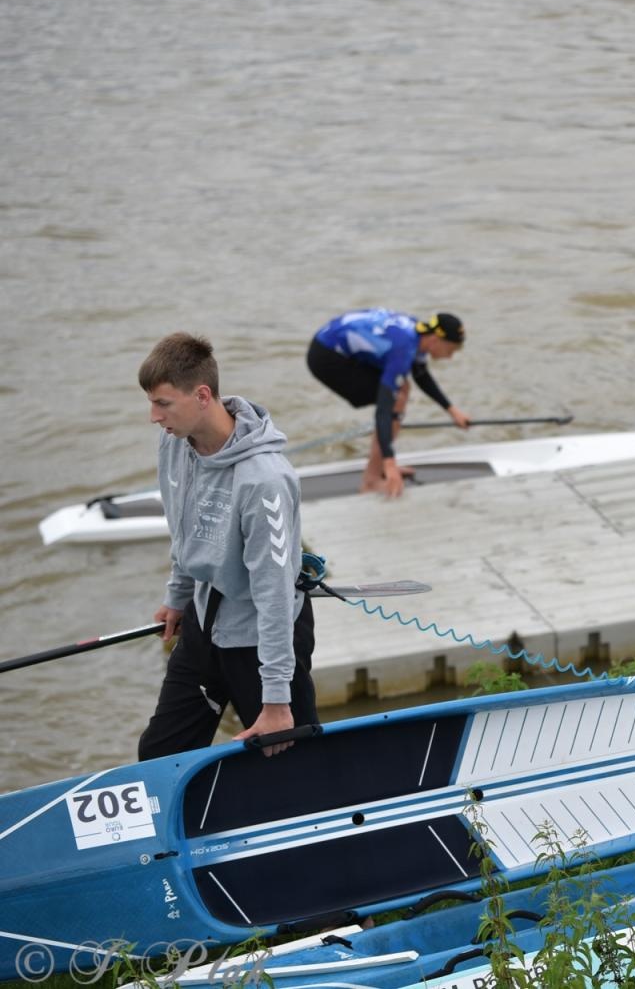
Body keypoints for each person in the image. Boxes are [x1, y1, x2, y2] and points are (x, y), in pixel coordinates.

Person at [137, 333, 315, 761]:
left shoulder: (264, 480)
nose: (153, 417)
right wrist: (177, 596)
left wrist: (276, 700)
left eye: (162, 403)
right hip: (205, 617)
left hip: (263, 635)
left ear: (201, 395)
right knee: (160, 754)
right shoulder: (175, 443)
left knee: (288, 761)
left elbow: (272, 594)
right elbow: (182, 528)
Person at [306, 310, 471, 497]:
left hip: (330, 343)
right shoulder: (403, 349)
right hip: (325, 358)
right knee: (397, 397)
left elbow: (420, 374)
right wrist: (390, 461)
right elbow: (384, 409)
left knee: (401, 390)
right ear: (435, 340)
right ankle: (372, 480)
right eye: (451, 350)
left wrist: (452, 410)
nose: (450, 357)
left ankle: (378, 468)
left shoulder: (417, 333)